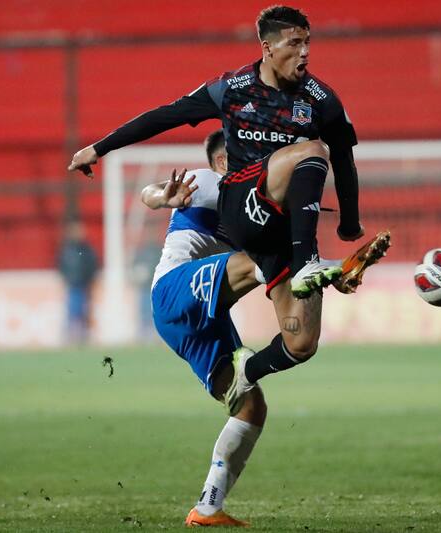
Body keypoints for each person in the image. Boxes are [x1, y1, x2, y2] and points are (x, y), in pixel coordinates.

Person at [68, 6, 364, 416]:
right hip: (242, 204)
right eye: (295, 43)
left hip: (282, 231)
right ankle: (306, 264)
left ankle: (248, 370)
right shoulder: (232, 88)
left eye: (308, 42)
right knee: (313, 151)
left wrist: (350, 222)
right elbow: (167, 115)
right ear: (267, 47)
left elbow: (346, 162)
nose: (305, 52)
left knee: (301, 342)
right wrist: (99, 148)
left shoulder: (321, 100)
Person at [140, 133, 388, 527]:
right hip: (173, 293)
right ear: (225, 161)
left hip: (204, 318)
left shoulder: (270, 215)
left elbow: (287, 274)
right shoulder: (207, 183)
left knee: (252, 405)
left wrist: (329, 279)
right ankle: (318, 272)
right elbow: (148, 193)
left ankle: (207, 508)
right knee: (253, 261)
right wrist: (161, 197)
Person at [57, 219, 99, 344]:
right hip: (73, 285)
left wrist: (90, 279)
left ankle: (83, 336)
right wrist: (67, 278)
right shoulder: (67, 249)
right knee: (72, 310)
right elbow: (61, 265)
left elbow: (92, 265)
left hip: (84, 286)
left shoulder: (86, 249)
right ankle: (71, 336)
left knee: (84, 311)